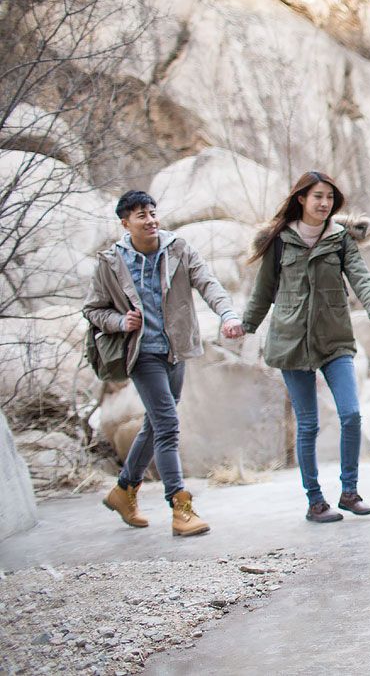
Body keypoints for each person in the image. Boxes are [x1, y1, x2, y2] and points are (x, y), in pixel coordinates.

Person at [86, 190, 244, 537]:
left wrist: (228, 314)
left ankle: (124, 491)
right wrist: (119, 322)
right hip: (141, 355)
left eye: (153, 212)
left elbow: (208, 283)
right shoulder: (111, 262)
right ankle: (180, 506)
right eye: (141, 215)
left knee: (157, 423)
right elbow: (93, 309)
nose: (151, 220)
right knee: (169, 424)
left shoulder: (178, 249)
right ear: (125, 223)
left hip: (177, 350)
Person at [242, 171, 370, 523]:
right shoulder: (279, 241)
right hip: (291, 342)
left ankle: (349, 492)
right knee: (308, 425)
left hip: (334, 339)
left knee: (350, 414)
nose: (324, 203)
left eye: (329, 198)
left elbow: (361, 278)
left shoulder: (340, 240)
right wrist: (244, 326)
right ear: (301, 199)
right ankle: (315, 501)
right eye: (317, 196)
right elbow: (263, 291)